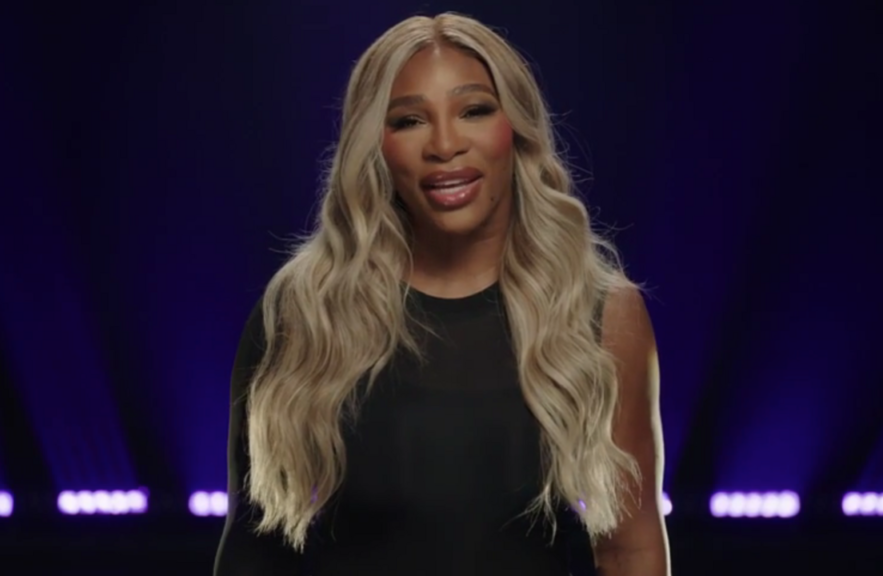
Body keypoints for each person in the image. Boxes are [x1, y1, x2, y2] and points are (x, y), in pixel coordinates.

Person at [214, 12, 670, 576]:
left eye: (474, 110)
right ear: (375, 145)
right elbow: (254, 549)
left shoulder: (601, 316)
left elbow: (629, 550)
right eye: (408, 120)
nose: (445, 144)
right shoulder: (304, 315)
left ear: (516, 127)